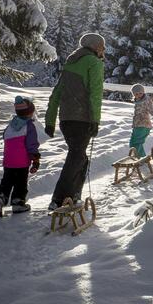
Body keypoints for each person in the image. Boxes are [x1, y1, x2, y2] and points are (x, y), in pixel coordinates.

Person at [44, 32, 105, 210]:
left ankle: (74, 195)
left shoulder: (71, 62)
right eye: (102, 46)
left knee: (80, 156)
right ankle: (58, 199)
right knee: (76, 156)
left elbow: (56, 93)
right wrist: (95, 121)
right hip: (82, 120)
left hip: (66, 120)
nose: (103, 50)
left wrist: (50, 121)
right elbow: (95, 94)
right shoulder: (94, 63)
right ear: (94, 47)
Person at [0, 96, 41, 217]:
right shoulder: (29, 126)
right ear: (30, 113)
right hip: (22, 162)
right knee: (21, 183)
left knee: (7, 182)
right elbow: (31, 145)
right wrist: (35, 159)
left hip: (8, 161)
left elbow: (5, 137)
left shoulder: (10, 125)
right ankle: (18, 203)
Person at [128, 83, 153, 159]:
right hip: (137, 125)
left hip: (143, 124)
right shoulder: (137, 101)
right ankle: (139, 157)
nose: (138, 95)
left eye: (140, 93)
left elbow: (151, 109)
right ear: (134, 95)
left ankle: (140, 158)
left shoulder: (146, 100)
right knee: (133, 142)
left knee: (137, 142)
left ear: (143, 92)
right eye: (136, 94)